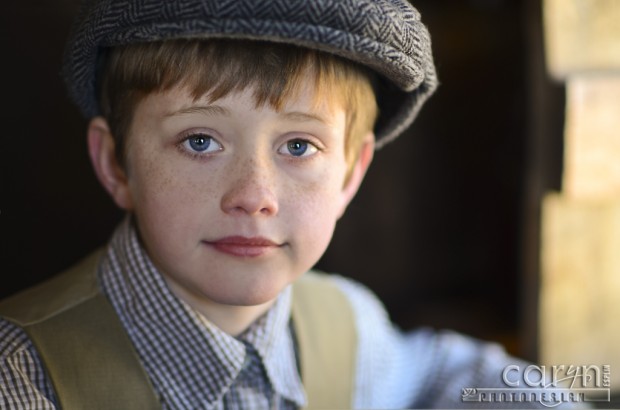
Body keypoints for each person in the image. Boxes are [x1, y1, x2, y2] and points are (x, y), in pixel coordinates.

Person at [0, 0, 582, 409]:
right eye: (199, 141)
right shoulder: (23, 376)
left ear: (351, 175)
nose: (253, 196)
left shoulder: (347, 327)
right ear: (115, 163)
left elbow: (440, 375)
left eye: (299, 146)